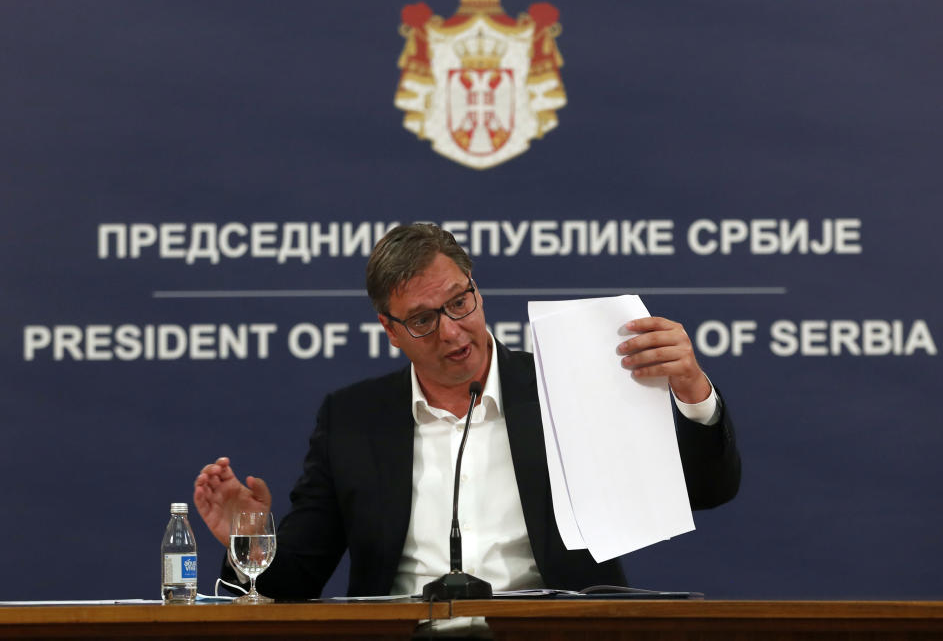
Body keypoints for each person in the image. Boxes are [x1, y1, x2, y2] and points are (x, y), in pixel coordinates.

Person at [194, 224, 740, 599]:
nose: (453, 332)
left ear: (476, 287)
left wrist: (691, 387)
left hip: (557, 640)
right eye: (425, 319)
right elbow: (296, 582)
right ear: (390, 330)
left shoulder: (561, 386)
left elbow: (706, 490)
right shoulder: (353, 420)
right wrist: (250, 536)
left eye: (460, 302)